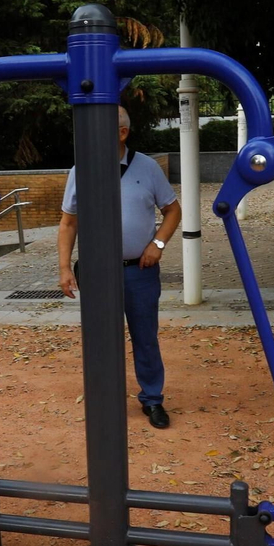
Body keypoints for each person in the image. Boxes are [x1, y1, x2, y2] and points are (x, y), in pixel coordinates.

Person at [57, 106, 183, 429]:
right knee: (102, 339)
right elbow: (69, 223)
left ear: (122, 133)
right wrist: (63, 268)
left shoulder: (148, 168)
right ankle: (105, 402)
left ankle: (152, 400)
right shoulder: (80, 170)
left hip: (137, 272)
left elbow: (173, 210)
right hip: (97, 273)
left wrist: (157, 245)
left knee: (145, 337)